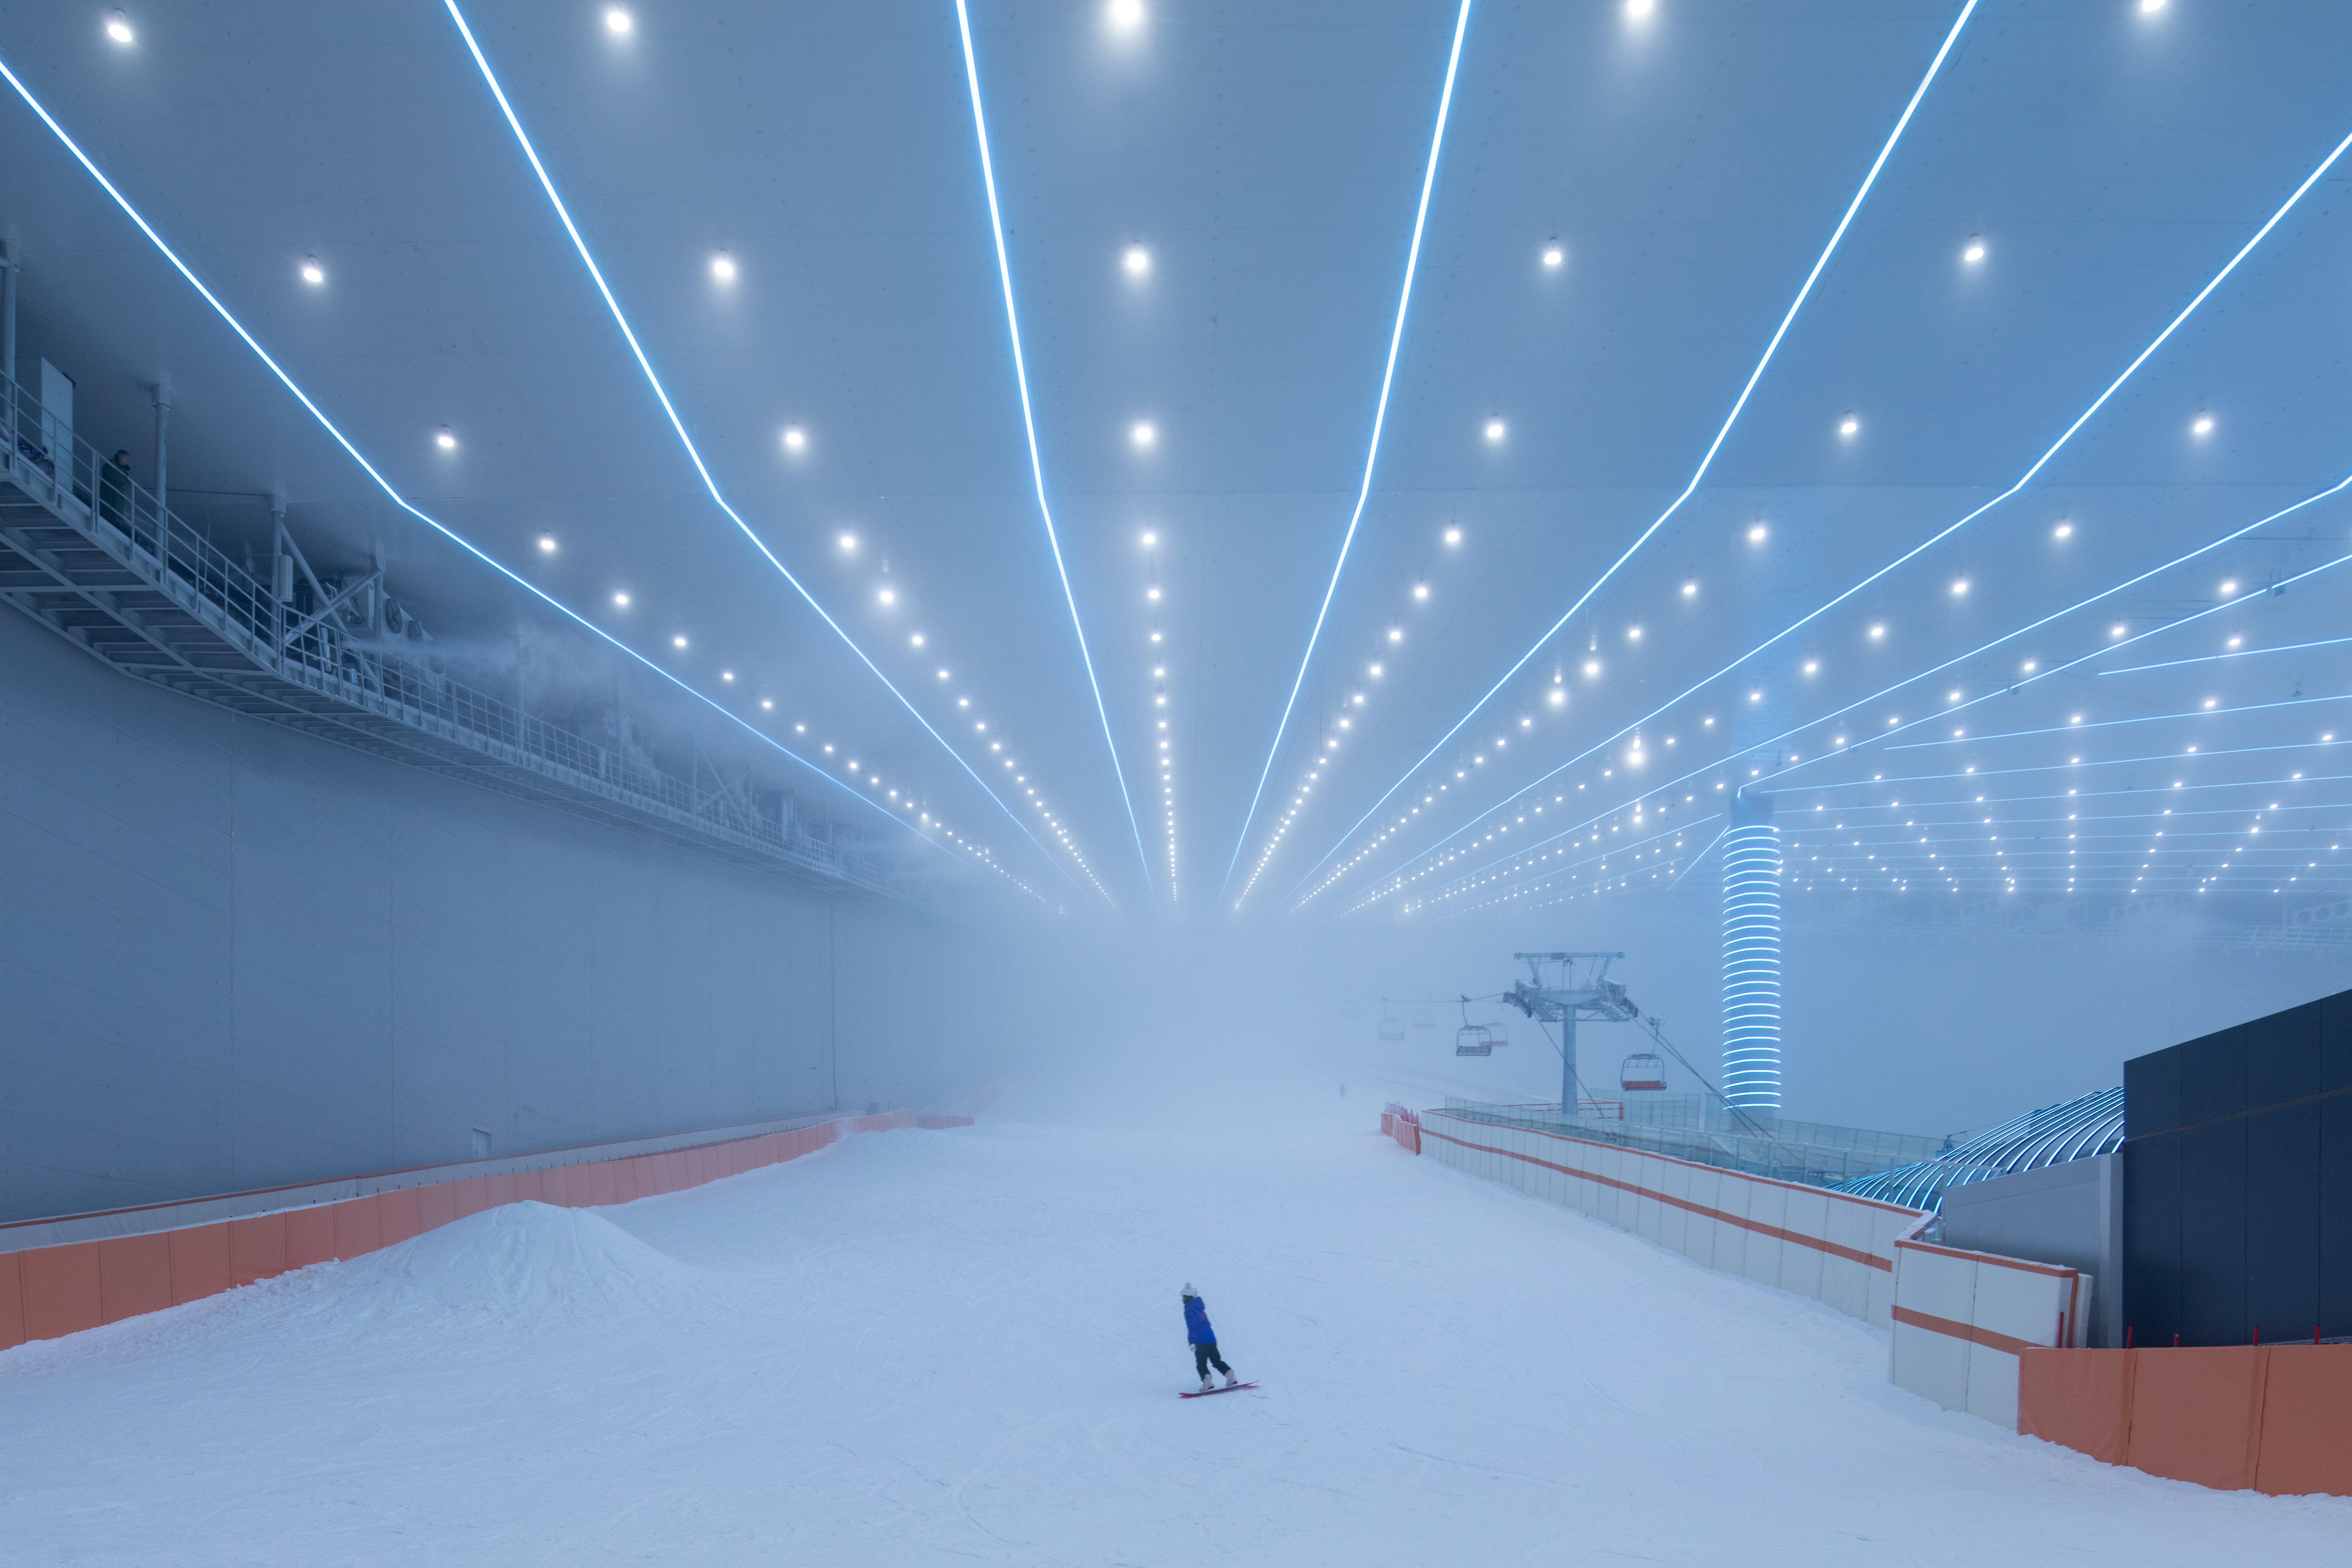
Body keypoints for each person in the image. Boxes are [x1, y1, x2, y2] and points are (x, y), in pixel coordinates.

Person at [1181, 1283, 1238, 1392]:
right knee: (1217, 1361)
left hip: (1200, 1342)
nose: (1182, 1300)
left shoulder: (1189, 1309)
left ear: (1188, 1297)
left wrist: (1192, 1341)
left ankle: (1208, 1382)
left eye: (1184, 1297)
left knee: (1201, 1364)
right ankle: (1231, 1376)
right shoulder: (1200, 1308)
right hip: (1211, 1339)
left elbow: (1192, 1327)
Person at [97, 449, 132, 532]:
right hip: (109, 498)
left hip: (118, 501)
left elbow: (129, 484)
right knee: (108, 518)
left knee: (117, 521)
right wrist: (122, 482)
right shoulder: (110, 464)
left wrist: (121, 484)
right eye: (126, 458)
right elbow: (113, 476)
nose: (127, 461)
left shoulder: (124, 470)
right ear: (121, 456)